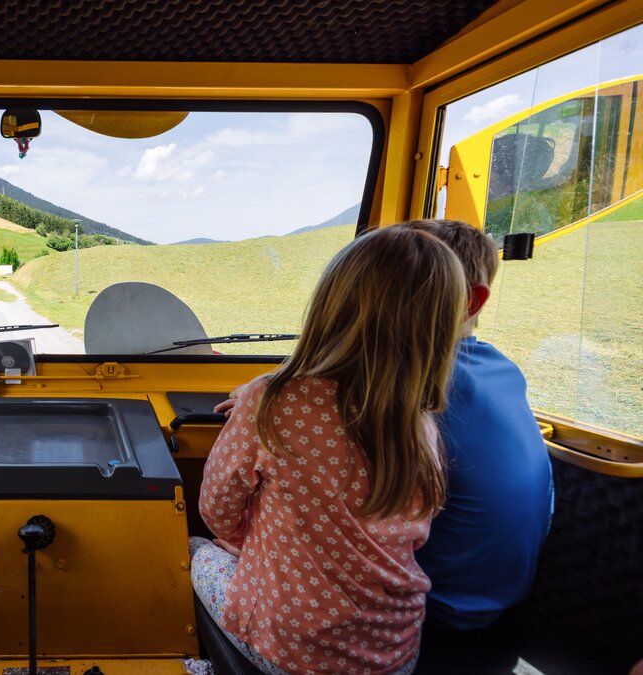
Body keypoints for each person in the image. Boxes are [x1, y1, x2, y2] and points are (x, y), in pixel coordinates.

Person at [191, 226, 468, 674]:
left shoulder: (272, 401)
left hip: (292, 650)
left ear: (330, 307)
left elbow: (216, 511)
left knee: (193, 549)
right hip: (395, 653)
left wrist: (253, 549)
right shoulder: (421, 425)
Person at [393, 220, 553, 665]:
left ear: (468, 301)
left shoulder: (416, 385)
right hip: (503, 611)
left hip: (436, 619)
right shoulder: (502, 370)